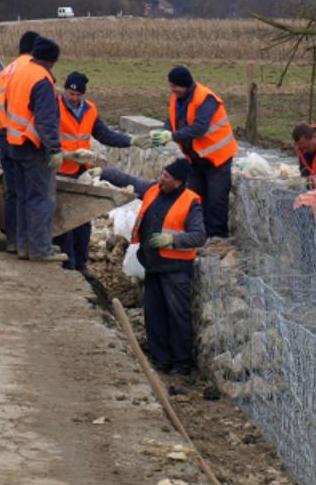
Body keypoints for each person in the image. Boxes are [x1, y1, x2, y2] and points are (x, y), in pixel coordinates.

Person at [109, 159, 207, 374]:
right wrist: (104, 172)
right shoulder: (154, 190)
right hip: (153, 265)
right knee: (154, 315)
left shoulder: (190, 203)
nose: (162, 178)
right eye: (163, 173)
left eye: (167, 177)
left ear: (179, 182)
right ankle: (160, 359)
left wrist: (171, 240)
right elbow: (128, 180)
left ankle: (181, 364)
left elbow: (199, 236)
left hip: (176, 269)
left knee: (177, 316)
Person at [51, 71, 148, 275]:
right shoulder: (54, 107)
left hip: (80, 172)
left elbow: (105, 135)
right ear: (65, 90)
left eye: (78, 95)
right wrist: (65, 155)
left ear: (84, 94)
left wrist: (130, 140)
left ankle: (81, 263)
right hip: (60, 171)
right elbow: (46, 137)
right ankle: (67, 265)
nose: (74, 98)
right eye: (70, 93)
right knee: (63, 221)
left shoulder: (90, 110)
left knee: (83, 219)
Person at [150, 65, 236, 240]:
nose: (173, 90)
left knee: (216, 200)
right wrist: (163, 131)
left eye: (176, 86)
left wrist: (172, 136)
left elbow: (199, 128)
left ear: (186, 85)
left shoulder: (205, 98)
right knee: (194, 197)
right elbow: (172, 120)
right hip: (196, 158)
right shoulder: (177, 99)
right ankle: (198, 235)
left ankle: (217, 238)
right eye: (171, 86)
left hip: (217, 157)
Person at [4, 36, 65, 262]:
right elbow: (46, 120)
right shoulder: (43, 80)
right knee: (42, 199)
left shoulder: (19, 72)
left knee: (23, 199)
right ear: (51, 60)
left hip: (14, 143)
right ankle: (41, 249)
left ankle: (24, 246)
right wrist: (55, 149)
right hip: (33, 147)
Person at [0, 30, 39, 255]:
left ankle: (12, 240)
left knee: (12, 191)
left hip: (1, 132)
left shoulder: (6, 70)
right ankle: (27, 241)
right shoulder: (30, 68)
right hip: (18, 136)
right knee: (28, 192)